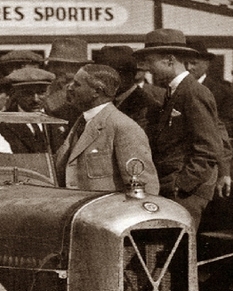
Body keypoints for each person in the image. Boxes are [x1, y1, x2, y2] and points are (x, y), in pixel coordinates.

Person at [134, 29, 228, 226]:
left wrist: (183, 184)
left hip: (187, 192)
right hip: (178, 188)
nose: (149, 69)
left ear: (169, 60)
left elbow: (209, 147)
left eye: (151, 62)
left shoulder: (193, 92)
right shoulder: (174, 90)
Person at [54, 64, 159, 194]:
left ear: (96, 92)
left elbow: (144, 189)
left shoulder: (123, 127)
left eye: (77, 84)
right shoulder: (81, 121)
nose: (69, 87)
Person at [0, 67, 62, 153]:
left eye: (41, 93)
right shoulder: (0, 124)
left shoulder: (60, 120)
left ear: (48, 92)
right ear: (14, 93)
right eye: (27, 93)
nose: (35, 99)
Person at [94, 45, 161, 135]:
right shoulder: (106, 101)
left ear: (128, 75)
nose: (101, 82)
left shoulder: (146, 108)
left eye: (107, 77)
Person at [185, 41, 233, 126]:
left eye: (193, 63)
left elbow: (231, 124)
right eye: (185, 64)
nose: (188, 68)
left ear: (206, 64)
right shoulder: (171, 88)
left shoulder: (223, 92)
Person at [44, 38, 89, 126]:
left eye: (61, 65)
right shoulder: (49, 87)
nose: (55, 69)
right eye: (54, 64)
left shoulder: (86, 89)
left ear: (79, 67)